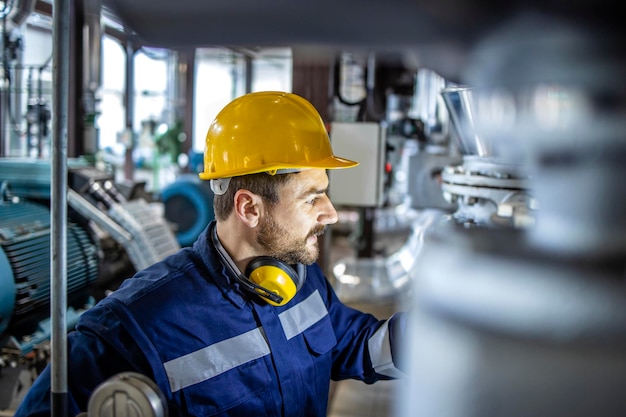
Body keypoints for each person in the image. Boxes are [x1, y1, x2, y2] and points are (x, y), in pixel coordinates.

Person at [15, 91, 407, 417]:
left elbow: (354, 344)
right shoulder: (133, 327)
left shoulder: (301, 281)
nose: (331, 212)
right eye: (311, 198)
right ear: (249, 208)